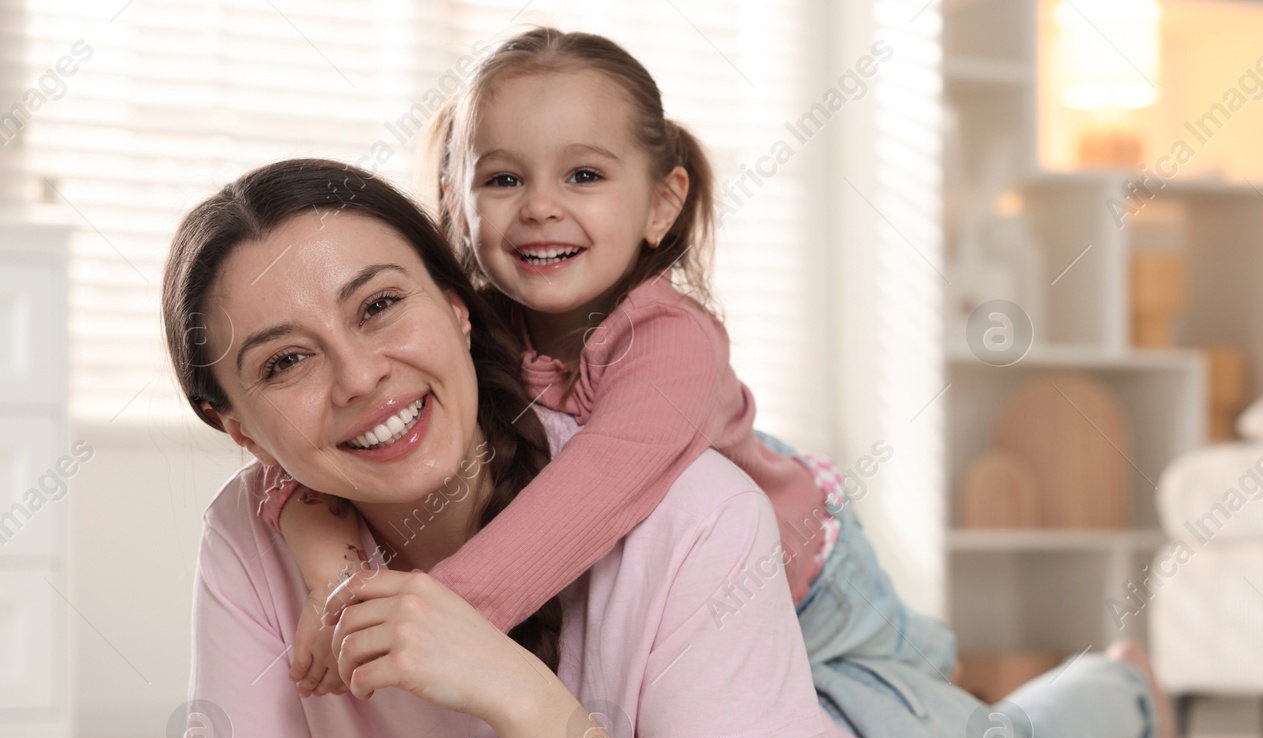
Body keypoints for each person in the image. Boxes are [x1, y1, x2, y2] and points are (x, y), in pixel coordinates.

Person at [165, 157, 1176, 738]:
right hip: (736, 695)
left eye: (379, 304)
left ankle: (1122, 685)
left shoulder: (690, 506)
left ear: (457, 302)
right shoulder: (252, 536)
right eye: (287, 360)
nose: (358, 374)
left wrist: (508, 683)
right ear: (239, 426)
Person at [253, 28, 946, 700]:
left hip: (812, 583)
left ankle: (942, 668)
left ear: (661, 204)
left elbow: (591, 493)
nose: (541, 206)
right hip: (681, 602)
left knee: (902, 717)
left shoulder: (675, 344)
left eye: (583, 175)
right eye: (502, 179)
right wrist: (335, 575)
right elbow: (288, 453)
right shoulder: (466, 323)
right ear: (456, 204)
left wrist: (435, 616)